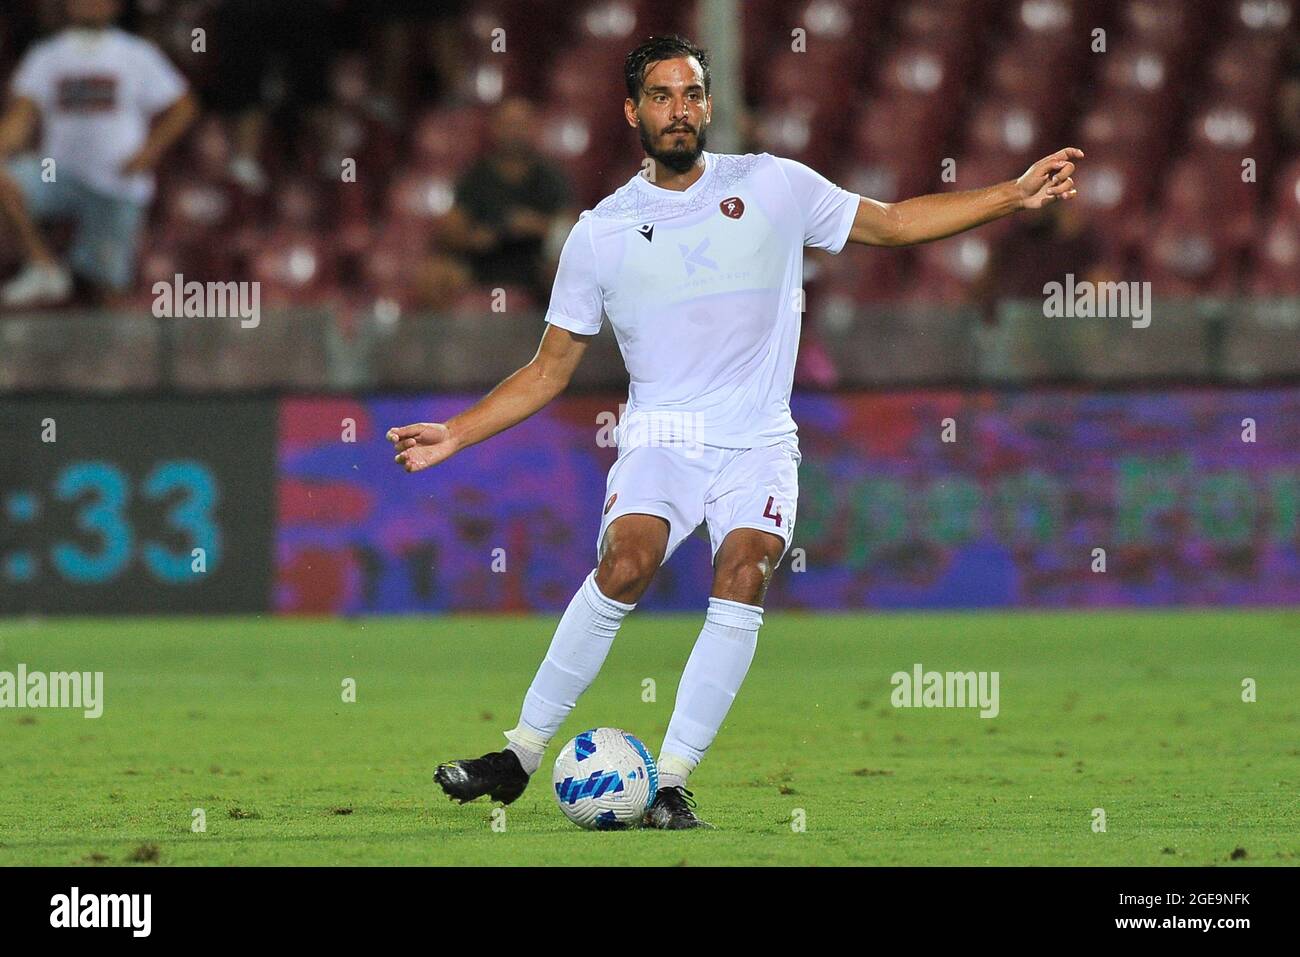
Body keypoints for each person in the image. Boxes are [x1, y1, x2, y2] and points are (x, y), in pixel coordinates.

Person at [386, 35, 1081, 829]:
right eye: (660, 96)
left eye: (691, 94)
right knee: (626, 564)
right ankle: (520, 753)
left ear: (709, 105)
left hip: (757, 441)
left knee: (745, 569)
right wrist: (457, 433)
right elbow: (549, 369)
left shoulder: (774, 185)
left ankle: (672, 779)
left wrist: (1010, 195)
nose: (678, 110)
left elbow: (889, 224)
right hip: (660, 437)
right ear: (631, 110)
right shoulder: (600, 232)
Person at [0, 0, 197, 307]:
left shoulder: (137, 53)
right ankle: (43, 266)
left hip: (117, 181)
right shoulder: (47, 55)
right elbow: (23, 115)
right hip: (57, 172)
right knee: (6, 179)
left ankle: (113, 351)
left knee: (107, 291)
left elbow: (183, 107)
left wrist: (149, 151)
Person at [435, 97, 573, 306]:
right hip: (483, 266)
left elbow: (570, 231)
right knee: (436, 274)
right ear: (495, 128)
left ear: (532, 128)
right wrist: (474, 238)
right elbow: (451, 230)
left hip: (534, 267)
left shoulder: (550, 177)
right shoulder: (476, 176)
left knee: (566, 276)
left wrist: (536, 226)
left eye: (520, 125)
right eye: (508, 124)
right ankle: (445, 336)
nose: (514, 132)